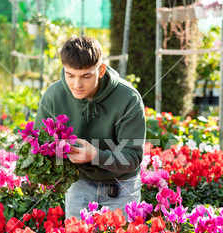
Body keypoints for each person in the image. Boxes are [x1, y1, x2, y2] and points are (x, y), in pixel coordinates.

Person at [34, 35, 146, 220]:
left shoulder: (128, 99)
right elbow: (39, 144)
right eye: (70, 75)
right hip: (79, 183)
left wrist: (95, 155)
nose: (77, 84)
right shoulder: (54, 96)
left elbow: (132, 157)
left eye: (86, 76)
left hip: (122, 186)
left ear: (101, 70)